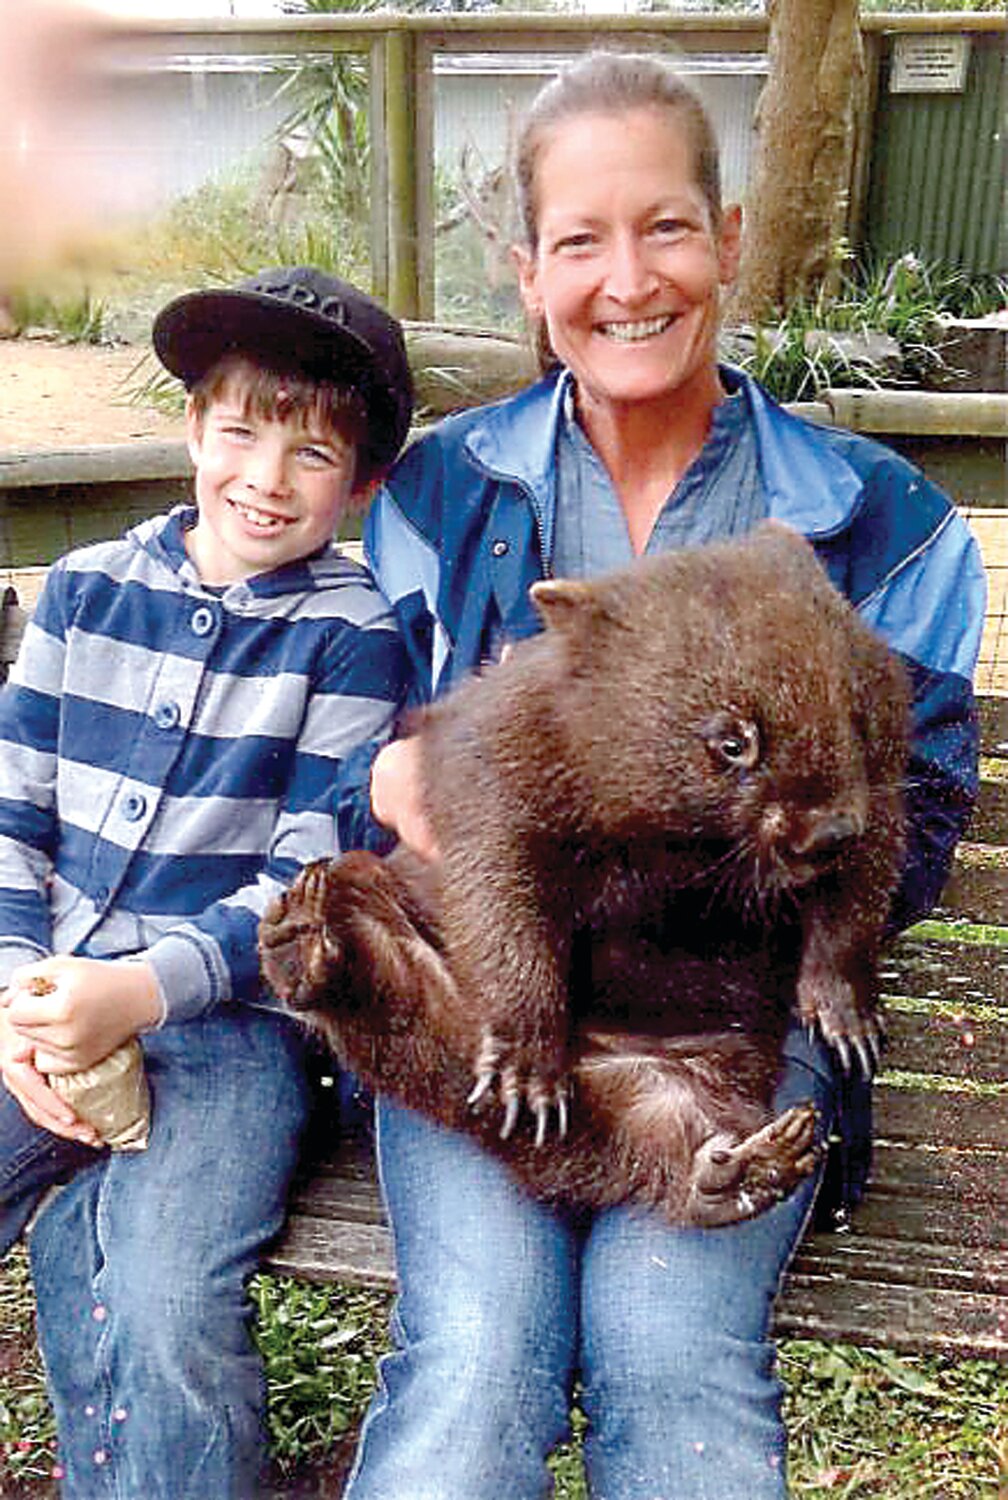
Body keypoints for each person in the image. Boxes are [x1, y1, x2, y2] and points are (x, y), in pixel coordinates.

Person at [344, 52, 987, 1500]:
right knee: (477, 1344)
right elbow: (348, 751)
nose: (628, 279)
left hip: (738, 1019)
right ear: (526, 271)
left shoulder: (880, 523)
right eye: (580, 240)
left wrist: (723, 895)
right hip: (492, 1000)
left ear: (733, 238)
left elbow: (917, 815)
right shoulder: (438, 497)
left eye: (668, 228)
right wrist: (391, 783)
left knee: (668, 1340)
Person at [0, 265, 412, 1497]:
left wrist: (136, 993)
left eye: (312, 455)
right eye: (238, 433)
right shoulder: (85, 592)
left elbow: (307, 888)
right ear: (191, 427)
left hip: (236, 1031)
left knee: (166, 1289)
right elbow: (11, 810)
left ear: (367, 481)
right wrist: (20, 992)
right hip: (36, 999)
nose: (265, 480)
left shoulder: (355, 636)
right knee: (85, 1238)